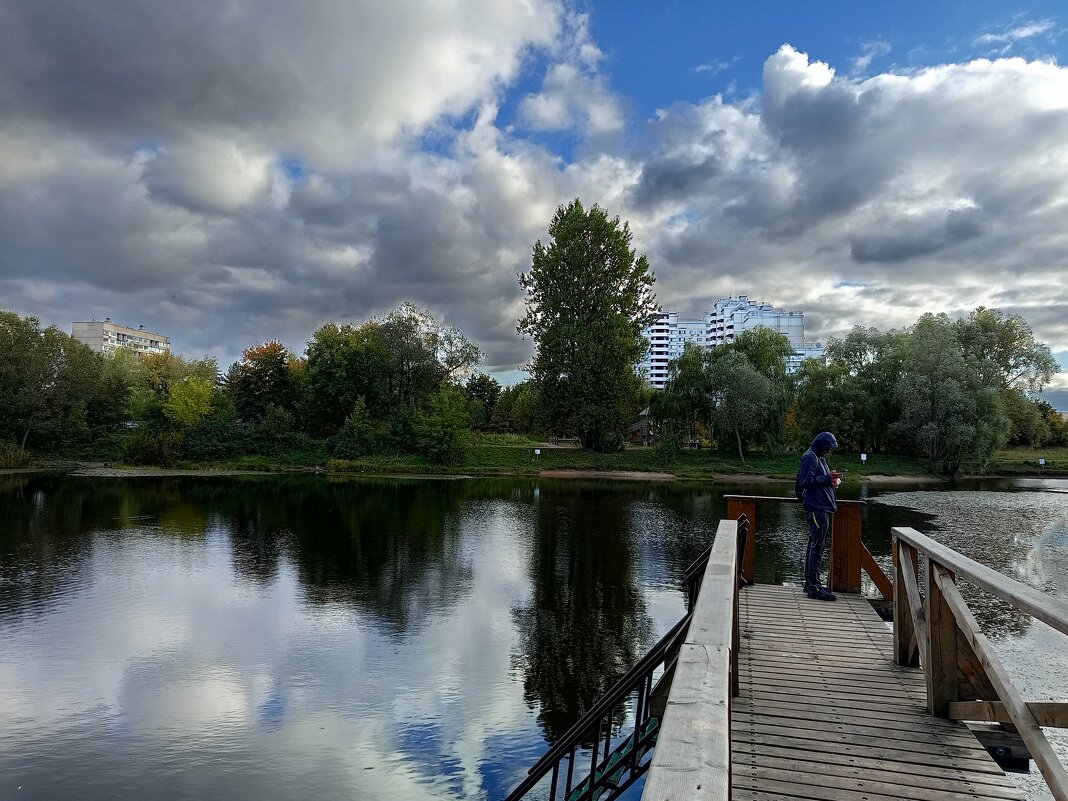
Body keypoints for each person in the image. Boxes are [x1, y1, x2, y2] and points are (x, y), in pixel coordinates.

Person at [795, 432, 844, 601]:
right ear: (821, 445)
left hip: (822, 506)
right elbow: (805, 482)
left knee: (816, 545)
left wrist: (831, 479)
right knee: (817, 545)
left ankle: (811, 583)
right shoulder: (810, 457)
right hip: (816, 507)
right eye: (828, 448)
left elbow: (819, 478)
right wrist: (826, 478)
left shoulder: (820, 458)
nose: (829, 451)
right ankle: (813, 587)